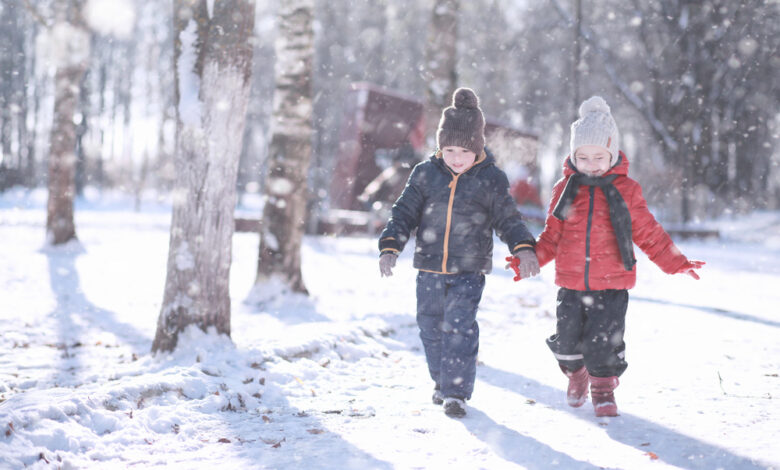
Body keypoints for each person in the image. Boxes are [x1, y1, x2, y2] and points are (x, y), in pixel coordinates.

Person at [532, 96, 705, 417]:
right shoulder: (564, 188)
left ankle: (603, 389)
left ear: (612, 154)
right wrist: (529, 258)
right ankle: (577, 375)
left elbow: (648, 231)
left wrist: (676, 261)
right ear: (572, 156)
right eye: (582, 157)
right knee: (567, 345)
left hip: (612, 285)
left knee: (602, 343)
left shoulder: (627, 189)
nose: (591, 163)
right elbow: (551, 235)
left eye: (599, 156)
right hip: (571, 283)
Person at [377, 87, 540, 418]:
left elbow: (508, 218)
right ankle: (441, 380)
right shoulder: (425, 174)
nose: (455, 157)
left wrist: (523, 248)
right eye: (448, 148)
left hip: (469, 270)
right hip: (429, 268)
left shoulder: (491, 179)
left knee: (459, 326)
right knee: (429, 326)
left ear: (477, 148)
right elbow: (403, 212)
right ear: (440, 145)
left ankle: (455, 392)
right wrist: (390, 246)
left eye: (463, 150)